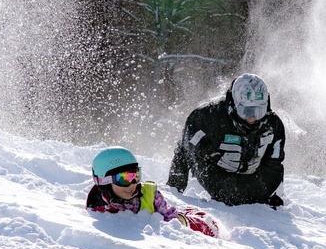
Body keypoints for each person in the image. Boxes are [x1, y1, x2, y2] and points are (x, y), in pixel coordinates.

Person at [167, 73, 286, 207]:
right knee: (228, 198)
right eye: (246, 111)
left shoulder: (273, 124)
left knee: (256, 200)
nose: (253, 117)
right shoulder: (206, 117)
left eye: (259, 111)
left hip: (252, 174)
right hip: (215, 172)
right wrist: (175, 191)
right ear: (235, 103)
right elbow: (185, 152)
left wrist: (273, 196)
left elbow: (274, 162)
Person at [88, 147, 218, 237]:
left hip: (179, 217)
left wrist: (195, 225)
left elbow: (173, 222)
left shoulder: (148, 194)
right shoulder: (98, 207)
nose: (132, 184)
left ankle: (189, 213)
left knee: (209, 226)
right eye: (123, 179)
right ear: (104, 182)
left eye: (135, 176)